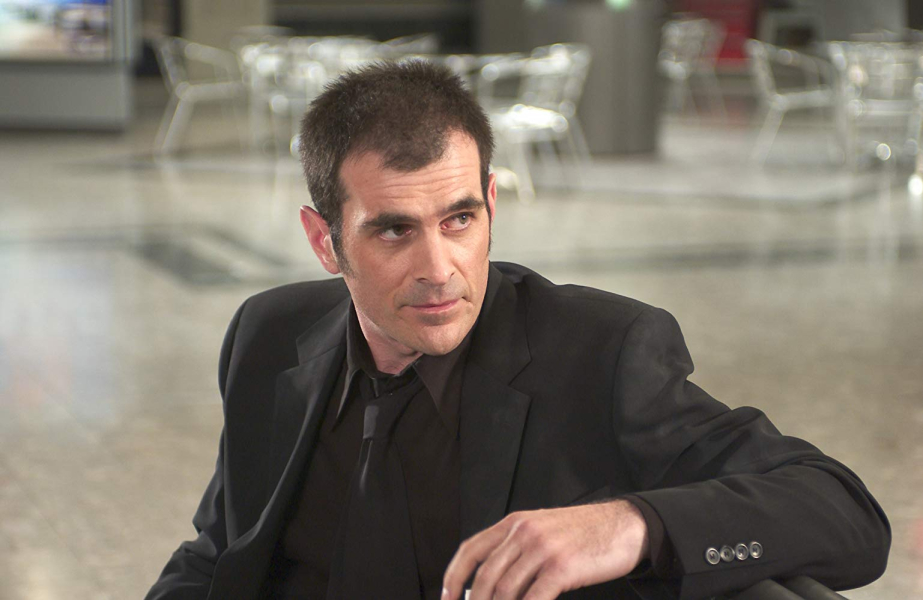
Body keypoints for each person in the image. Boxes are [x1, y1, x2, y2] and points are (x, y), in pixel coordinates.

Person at [146, 61, 890, 600]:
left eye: (459, 219)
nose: (439, 269)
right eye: (394, 230)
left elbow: (845, 513)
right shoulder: (268, 333)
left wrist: (629, 524)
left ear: (491, 206)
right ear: (324, 241)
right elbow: (219, 551)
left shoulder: (600, 352)